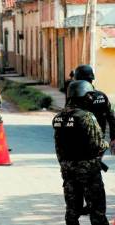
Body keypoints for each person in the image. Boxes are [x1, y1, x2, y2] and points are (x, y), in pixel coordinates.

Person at [52, 80, 109, 225]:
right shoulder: (86, 117)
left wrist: (65, 165)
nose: (91, 99)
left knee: (72, 210)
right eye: (89, 96)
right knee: (97, 210)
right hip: (88, 171)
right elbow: (98, 145)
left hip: (68, 170)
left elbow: (58, 147)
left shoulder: (59, 117)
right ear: (83, 95)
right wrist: (106, 143)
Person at [73, 64, 115, 155]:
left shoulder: (74, 98)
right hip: (98, 140)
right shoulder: (101, 96)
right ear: (92, 79)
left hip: (78, 140)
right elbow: (111, 117)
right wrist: (113, 138)